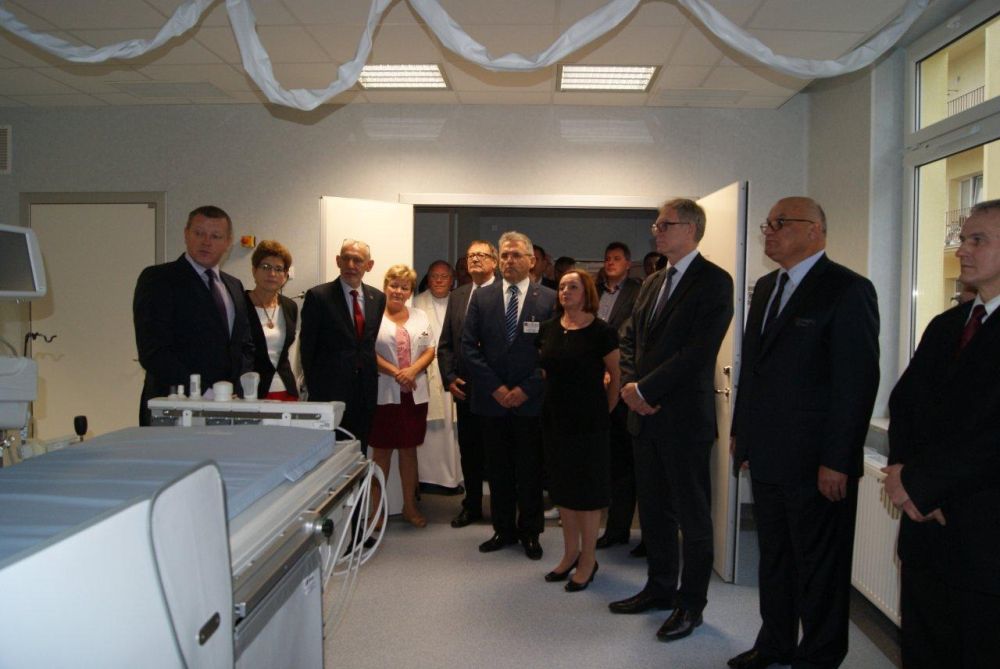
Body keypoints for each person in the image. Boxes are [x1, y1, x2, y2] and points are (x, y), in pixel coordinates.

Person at [729, 197, 879, 669]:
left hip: (818, 462)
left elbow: (857, 383)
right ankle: (774, 642)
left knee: (820, 567)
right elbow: (753, 369)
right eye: (767, 225)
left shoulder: (847, 289)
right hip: (768, 453)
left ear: (815, 230)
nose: (769, 232)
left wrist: (838, 459)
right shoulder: (767, 286)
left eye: (780, 223)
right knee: (774, 558)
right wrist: (742, 434)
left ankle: (819, 655)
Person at [610, 200, 734, 645]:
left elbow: (698, 351)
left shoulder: (714, 281)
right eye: (656, 225)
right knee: (654, 512)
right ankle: (660, 588)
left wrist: (646, 391)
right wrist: (631, 386)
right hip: (644, 419)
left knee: (693, 518)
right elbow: (629, 339)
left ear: (692, 228)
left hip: (682, 419)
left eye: (665, 225)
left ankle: (690, 605)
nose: (656, 231)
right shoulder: (653, 282)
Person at [884, 198, 1000, 669]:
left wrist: (923, 484)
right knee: (922, 646)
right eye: (962, 239)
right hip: (924, 528)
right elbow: (904, 404)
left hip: (984, 534)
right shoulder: (947, 325)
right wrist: (903, 476)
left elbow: (990, 437)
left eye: (978, 240)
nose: (962, 250)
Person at [462, 231, 556, 560]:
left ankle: (531, 532)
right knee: (497, 470)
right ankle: (503, 529)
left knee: (530, 470)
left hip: (531, 401)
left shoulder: (549, 299)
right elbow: (468, 348)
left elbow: (552, 352)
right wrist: (498, 388)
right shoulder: (482, 297)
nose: (509, 261)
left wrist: (524, 389)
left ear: (531, 260)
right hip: (492, 401)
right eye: (504, 255)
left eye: (516, 255)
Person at [536, 269, 620, 591]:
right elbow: (546, 372)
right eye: (561, 287)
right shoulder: (548, 329)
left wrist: (605, 411)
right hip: (555, 421)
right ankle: (570, 554)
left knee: (587, 495)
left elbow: (616, 375)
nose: (565, 291)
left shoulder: (602, 332)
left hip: (590, 424)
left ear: (586, 293)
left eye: (572, 286)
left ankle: (588, 559)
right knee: (564, 492)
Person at [133, 205, 253, 425]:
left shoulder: (234, 286)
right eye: (199, 233)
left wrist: (236, 389)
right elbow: (153, 351)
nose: (206, 242)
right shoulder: (159, 279)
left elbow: (244, 345)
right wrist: (205, 393)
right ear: (186, 234)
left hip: (228, 405)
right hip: (175, 407)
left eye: (215, 236)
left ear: (228, 243)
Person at [299, 239, 386, 451]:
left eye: (358, 260)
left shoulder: (377, 298)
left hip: (365, 392)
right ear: (338, 261)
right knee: (329, 453)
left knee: (359, 450)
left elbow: (367, 344)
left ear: (369, 265)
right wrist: (315, 389)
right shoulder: (318, 296)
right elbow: (307, 348)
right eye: (346, 258)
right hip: (329, 392)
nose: (350, 265)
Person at [368, 264, 436, 528]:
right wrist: (397, 372)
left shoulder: (419, 315)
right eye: (394, 285)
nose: (398, 291)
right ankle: (376, 512)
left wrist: (412, 371)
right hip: (384, 395)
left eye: (404, 287)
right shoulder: (374, 315)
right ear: (386, 286)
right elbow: (367, 352)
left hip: (413, 395)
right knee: (381, 453)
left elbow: (429, 349)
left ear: (410, 291)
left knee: (409, 452)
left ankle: (409, 507)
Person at [438, 241, 498, 528]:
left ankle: (501, 510)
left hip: (497, 390)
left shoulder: (505, 293)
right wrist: (449, 378)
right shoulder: (458, 295)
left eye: (481, 255)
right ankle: (472, 505)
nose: (475, 260)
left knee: (497, 452)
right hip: (464, 388)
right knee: (470, 451)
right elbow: (446, 343)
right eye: (471, 255)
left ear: (494, 262)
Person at [594, 242, 643, 551]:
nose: (610, 263)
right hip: (597, 385)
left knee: (634, 463)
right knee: (614, 464)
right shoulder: (594, 292)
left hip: (626, 382)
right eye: (607, 258)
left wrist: (614, 369)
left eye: (616, 259)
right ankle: (616, 529)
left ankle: (647, 536)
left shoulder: (639, 292)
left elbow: (631, 336)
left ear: (628, 263)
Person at [413, 260, 462, 491]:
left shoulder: (459, 301)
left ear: (452, 280)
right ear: (428, 278)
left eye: (444, 276)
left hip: (452, 372)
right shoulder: (416, 303)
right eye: (434, 276)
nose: (439, 281)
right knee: (430, 429)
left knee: (452, 431)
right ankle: (427, 478)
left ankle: (452, 478)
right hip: (427, 372)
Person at [244, 240, 299, 401]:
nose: (272, 274)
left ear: (285, 276)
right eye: (266, 267)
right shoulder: (240, 304)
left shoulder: (290, 306)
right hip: (251, 392)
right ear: (254, 271)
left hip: (286, 389)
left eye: (278, 269)